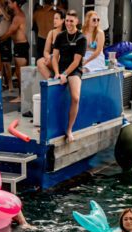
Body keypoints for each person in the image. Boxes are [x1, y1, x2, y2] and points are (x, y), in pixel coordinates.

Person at [51, 10, 87, 142]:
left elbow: (76, 61)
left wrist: (65, 74)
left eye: (71, 21)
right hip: (60, 69)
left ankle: (69, 129)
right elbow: (54, 57)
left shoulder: (81, 38)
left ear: (77, 21)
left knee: (75, 98)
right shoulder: (60, 36)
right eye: (67, 20)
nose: (68, 23)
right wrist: (56, 73)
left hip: (73, 70)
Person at [0, 0, 28, 103]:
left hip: (21, 46)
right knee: (19, 72)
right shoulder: (15, 15)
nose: (8, 5)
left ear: (15, 3)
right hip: (18, 46)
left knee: (20, 73)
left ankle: (21, 96)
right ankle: (22, 96)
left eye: (9, 3)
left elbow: (9, 32)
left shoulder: (18, 16)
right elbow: (7, 16)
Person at [0, 0, 14, 93]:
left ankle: (10, 84)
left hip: (5, 39)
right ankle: (0, 83)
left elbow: (8, 18)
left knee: (6, 63)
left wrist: (1, 9)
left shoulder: (8, 10)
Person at [36, 8, 64, 80]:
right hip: (53, 59)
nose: (54, 20)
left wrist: (52, 57)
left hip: (63, 60)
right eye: (54, 18)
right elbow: (46, 51)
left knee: (55, 59)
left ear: (62, 20)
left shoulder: (67, 33)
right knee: (40, 61)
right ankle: (50, 80)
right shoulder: (51, 32)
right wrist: (48, 57)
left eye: (57, 18)